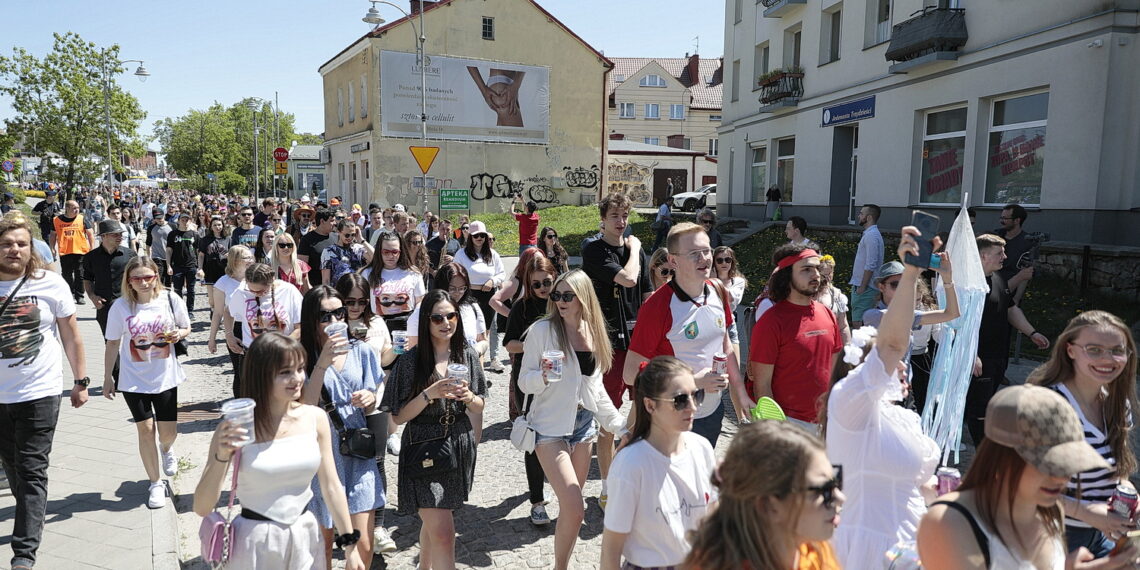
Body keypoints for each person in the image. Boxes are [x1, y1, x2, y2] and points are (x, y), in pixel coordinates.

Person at [820, 226, 944, 569]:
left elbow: (917, 487)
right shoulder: (849, 402)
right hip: (869, 549)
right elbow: (892, 345)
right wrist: (912, 273)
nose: (902, 367)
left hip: (915, 548)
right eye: (892, 366)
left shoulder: (903, 417)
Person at [193, 333, 367, 570]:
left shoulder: (314, 418)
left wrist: (350, 545)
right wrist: (221, 456)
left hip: (305, 534)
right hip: (254, 541)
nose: (297, 379)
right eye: (285, 372)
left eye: (300, 369)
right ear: (262, 375)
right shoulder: (236, 427)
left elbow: (332, 486)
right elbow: (202, 507)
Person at [917, 385, 1137, 570]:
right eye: (1048, 465)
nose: (1062, 477)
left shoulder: (1048, 511)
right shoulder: (950, 522)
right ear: (1003, 457)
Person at [517, 269, 627, 568]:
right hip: (549, 428)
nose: (560, 301)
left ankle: (560, 565)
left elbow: (597, 390)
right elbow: (523, 382)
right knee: (576, 506)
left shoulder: (594, 331)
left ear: (583, 298)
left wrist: (620, 426)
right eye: (557, 295)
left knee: (571, 511)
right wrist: (540, 377)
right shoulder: (543, 330)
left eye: (568, 296)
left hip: (583, 428)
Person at [0, 213, 89, 570]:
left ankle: (23, 555)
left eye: (21, 243)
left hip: (40, 390)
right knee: (13, 468)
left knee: (32, 468)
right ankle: (31, 516)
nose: (14, 250)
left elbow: (71, 335)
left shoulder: (51, 284)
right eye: (6, 244)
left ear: (31, 247)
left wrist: (80, 381)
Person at [380, 290, 487, 570]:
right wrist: (430, 393)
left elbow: (480, 404)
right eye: (437, 317)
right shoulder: (410, 361)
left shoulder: (467, 355)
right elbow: (398, 416)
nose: (445, 322)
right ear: (426, 321)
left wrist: (469, 399)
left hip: (457, 446)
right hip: (423, 449)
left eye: (451, 315)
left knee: (436, 521)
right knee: (443, 532)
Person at [625, 222, 750, 447]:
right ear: (673, 261)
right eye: (694, 253)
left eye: (707, 250)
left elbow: (725, 343)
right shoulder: (657, 306)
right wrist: (693, 381)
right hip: (671, 418)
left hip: (712, 412)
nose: (705, 258)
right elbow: (630, 373)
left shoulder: (717, 290)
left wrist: (740, 392)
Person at [1029, 311, 1139, 558]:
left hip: (1098, 535)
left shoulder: (1118, 404)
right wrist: (1086, 512)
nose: (1107, 358)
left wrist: (1128, 494)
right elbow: (1022, 484)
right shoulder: (1049, 404)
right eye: (1094, 349)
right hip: (1047, 534)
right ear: (1070, 351)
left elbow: (1117, 470)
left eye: (1117, 350)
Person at [297, 287, 385, 568]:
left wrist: (370, 398)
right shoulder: (300, 358)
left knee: (364, 545)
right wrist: (321, 363)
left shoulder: (362, 351)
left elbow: (373, 400)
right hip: (320, 458)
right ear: (312, 319)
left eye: (339, 312)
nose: (334, 319)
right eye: (325, 315)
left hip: (358, 452)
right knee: (321, 550)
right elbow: (305, 408)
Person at [601, 356, 715, 570]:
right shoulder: (631, 464)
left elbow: (713, 519)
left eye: (696, 395)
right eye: (680, 400)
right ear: (650, 405)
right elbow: (611, 548)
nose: (692, 407)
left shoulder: (702, 448)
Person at [685, 421, 844, 570]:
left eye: (836, 480)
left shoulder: (815, 551)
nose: (841, 498)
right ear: (769, 505)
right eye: (824, 489)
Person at [101, 256, 190, 509]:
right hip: (133, 380)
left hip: (165, 377)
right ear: (128, 281)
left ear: (156, 277)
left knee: (167, 433)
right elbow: (113, 343)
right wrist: (107, 377)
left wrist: (178, 334)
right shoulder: (120, 307)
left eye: (147, 277)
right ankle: (155, 483)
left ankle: (166, 449)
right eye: (136, 278)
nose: (142, 283)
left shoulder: (170, 299)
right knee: (145, 430)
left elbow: (186, 327)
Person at [581, 193, 652, 508]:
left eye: (625, 215)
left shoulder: (639, 252)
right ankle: (607, 488)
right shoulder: (594, 250)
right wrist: (634, 250)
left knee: (643, 414)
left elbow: (647, 296)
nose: (621, 222)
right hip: (609, 344)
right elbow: (628, 279)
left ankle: (632, 476)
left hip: (639, 345)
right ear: (603, 218)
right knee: (608, 418)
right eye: (615, 216)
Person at [967, 234, 1051, 447]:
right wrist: (971, 354)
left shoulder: (998, 278)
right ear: (983, 255)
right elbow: (958, 322)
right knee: (981, 408)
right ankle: (985, 455)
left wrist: (1032, 333)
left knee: (986, 403)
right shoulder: (968, 283)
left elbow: (1011, 309)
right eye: (999, 253)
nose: (1004, 256)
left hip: (998, 354)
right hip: (978, 357)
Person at [749, 244, 843, 432]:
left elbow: (835, 370)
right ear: (787, 275)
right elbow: (762, 386)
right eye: (807, 269)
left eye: (817, 268)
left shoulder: (827, 313)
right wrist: (776, 430)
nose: (816, 274)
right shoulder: (771, 321)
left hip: (827, 421)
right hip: (788, 424)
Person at [502, 254, 558, 526]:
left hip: (559, 379)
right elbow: (509, 344)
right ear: (528, 284)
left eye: (547, 282)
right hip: (528, 379)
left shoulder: (563, 303)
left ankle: (555, 485)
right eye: (536, 284)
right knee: (534, 438)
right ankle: (537, 501)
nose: (543, 288)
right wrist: (533, 346)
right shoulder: (521, 308)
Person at [861, 259, 959, 413]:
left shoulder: (908, 315)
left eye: (905, 284)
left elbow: (951, 313)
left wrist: (947, 278)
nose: (902, 289)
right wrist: (915, 272)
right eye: (895, 285)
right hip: (880, 392)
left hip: (904, 390)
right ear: (881, 287)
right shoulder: (872, 315)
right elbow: (895, 315)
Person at [225, 263, 304, 397]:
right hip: (253, 355)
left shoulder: (289, 291)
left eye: (262, 291)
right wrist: (229, 335)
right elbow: (228, 311)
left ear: (272, 281)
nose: (256, 294)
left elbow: (300, 328)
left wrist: (280, 346)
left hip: (282, 354)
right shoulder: (241, 292)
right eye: (252, 290)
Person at [405, 263, 488, 357]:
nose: (457, 293)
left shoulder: (473, 308)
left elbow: (482, 340)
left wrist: (475, 353)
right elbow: (413, 352)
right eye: (452, 288)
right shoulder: (421, 311)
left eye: (462, 288)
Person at [454, 221, 506, 371]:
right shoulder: (461, 254)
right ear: (470, 237)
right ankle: (467, 360)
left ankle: (485, 363)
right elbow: (456, 272)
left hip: (488, 295)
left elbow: (501, 273)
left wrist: (492, 281)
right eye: (476, 235)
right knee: (469, 329)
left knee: (486, 331)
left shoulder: (492, 254)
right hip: (468, 295)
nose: (479, 238)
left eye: (482, 235)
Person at [490, 248, 546, 380]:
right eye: (534, 260)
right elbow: (494, 301)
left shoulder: (544, 280)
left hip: (538, 331)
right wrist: (512, 315)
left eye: (540, 260)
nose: (537, 263)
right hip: (519, 334)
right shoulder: (517, 281)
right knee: (519, 372)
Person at [361, 231, 426, 335]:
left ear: (401, 251)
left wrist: (414, 320)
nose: (391, 256)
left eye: (395, 252)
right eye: (386, 252)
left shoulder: (413, 273)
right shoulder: (368, 273)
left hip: (407, 327)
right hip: (378, 328)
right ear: (379, 251)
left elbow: (420, 301)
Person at [82, 220, 137, 333]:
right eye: (115, 234)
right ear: (103, 236)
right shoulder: (91, 257)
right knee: (110, 341)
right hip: (104, 306)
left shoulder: (130, 255)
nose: (120, 237)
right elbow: (88, 280)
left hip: (127, 303)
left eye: (121, 234)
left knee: (131, 340)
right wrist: (92, 296)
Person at [52, 199, 95, 304]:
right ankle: (69, 293)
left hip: (80, 250)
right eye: (74, 208)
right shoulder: (56, 220)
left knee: (80, 274)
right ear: (67, 209)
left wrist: (92, 248)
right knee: (66, 274)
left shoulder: (82, 218)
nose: (77, 210)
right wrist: (52, 247)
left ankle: (80, 295)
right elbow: (53, 235)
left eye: (78, 208)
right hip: (65, 251)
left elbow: (90, 234)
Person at [995, 203, 1038, 303]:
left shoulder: (1028, 242)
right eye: (1001, 218)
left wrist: (1017, 298)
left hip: (1012, 289)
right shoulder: (996, 236)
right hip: (993, 287)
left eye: (1005, 218)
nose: (1002, 221)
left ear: (1017, 220)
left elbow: (1026, 272)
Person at [849, 204, 884, 327]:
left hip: (866, 287)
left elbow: (871, 264)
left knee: (860, 323)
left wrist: (862, 287)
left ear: (869, 217)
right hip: (864, 286)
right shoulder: (870, 234)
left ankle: (863, 346)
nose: (859, 216)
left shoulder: (871, 236)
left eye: (861, 214)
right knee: (860, 321)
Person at [712, 245, 747, 361]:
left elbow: (731, 298)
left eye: (728, 259)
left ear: (732, 262)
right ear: (714, 262)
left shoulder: (738, 281)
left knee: (734, 366)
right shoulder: (706, 280)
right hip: (710, 324)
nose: (724, 263)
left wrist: (714, 281)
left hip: (729, 324)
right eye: (719, 260)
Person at [165, 214, 201, 312]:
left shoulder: (195, 235)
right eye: (183, 219)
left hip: (191, 266)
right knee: (177, 290)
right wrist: (168, 266)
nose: (185, 222)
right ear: (179, 221)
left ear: (190, 221)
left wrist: (200, 267)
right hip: (177, 265)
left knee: (191, 290)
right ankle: (179, 310)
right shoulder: (172, 234)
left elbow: (199, 252)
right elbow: (169, 251)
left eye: (187, 220)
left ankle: (189, 311)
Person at [814, 255, 851, 346]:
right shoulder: (805, 294)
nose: (828, 279)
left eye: (830, 274)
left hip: (832, 346)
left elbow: (843, 326)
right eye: (823, 275)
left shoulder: (837, 294)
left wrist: (848, 349)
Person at [320, 219, 370, 286]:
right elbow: (326, 280)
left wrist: (361, 239)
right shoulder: (329, 251)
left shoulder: (358, 248)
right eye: (347, 235)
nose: (350, 238)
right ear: (339, 232)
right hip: (338, 292)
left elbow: (375, 258)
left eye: (353, 235)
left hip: (357, 290)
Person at [198, 217, 230, 306]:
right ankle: (214, 314)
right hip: (210, 270)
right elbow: (201, 255)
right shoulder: (205, 240)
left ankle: (222, 316)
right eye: (214, 225)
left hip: (224, 270)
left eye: (219, 225)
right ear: (211, 227)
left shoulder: (228, 239)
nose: (217, 227)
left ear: (223, 226)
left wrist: (228, 256)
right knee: (212, 299)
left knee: (224, 296)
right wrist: (200, 268)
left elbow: (232, 254)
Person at [299, 208, 335, 286]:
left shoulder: (337, 237)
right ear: (322, 221)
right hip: (315, 287)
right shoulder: (306, 240)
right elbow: (302, 267)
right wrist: (307, 287)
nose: (334, 223)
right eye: (331, 221)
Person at [146, 208, 174, 287]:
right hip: (157, 256)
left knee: (169, 280)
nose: (160, 220)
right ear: (154, 219)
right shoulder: (151, 228)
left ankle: (167, 296)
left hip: (170, 257)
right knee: (159, 278)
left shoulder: (173, 226)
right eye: (157, 218)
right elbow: (148, 243)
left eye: (161, 217)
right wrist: (149, 257)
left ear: (164, 216)